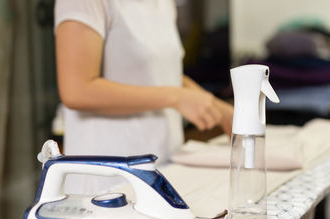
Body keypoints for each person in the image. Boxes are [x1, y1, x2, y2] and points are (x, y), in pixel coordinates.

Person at [54, 0, 233, 194]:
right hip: (107, 183)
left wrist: (221, 110)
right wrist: (175, 97)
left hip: (163, 171)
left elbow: (159, 74)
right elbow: (77, 90)